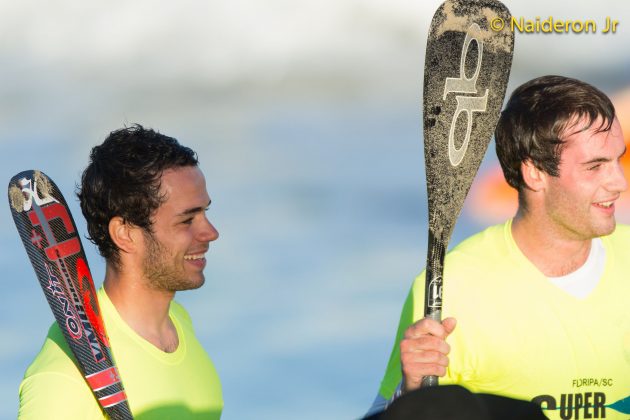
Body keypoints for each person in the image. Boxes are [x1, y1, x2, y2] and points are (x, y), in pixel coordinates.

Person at [368, 75, 630, 419]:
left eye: (619, 161)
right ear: (535, 173)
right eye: (595, 167)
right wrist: (411, 390)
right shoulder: (451, 290)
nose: (620, 182)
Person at [18, 125, 223, 419]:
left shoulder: (179, 323)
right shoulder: (62, 380)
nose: (211, 233)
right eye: (187, 220)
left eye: (205, 212)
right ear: (125, 233)